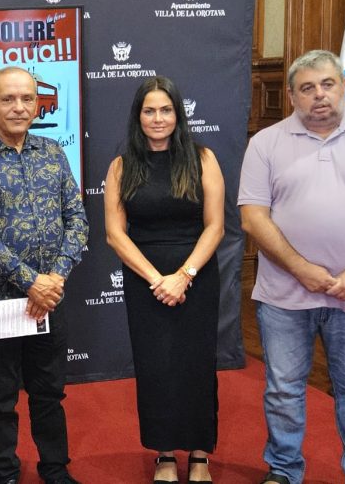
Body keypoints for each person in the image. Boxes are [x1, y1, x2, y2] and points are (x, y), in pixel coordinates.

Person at [239, 49, 345, 484]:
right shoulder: (265, 143)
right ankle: (283, 470)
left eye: (327, 84)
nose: (319, 95)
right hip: (284, 296)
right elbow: (253, 218)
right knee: (283, 391)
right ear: (293, 96)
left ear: (343, 86)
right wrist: (301, 269)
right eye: (307, 88)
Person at [0, 66, 89, 484]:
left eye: (27, 98)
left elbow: (77, 221)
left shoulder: (53, 153)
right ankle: (4, 473)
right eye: (8, 99)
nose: (19, 107)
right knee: (1, 397)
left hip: (51, 298)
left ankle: (55, 469)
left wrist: (54, 281)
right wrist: (31, 281)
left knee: (49, 393)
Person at [103, 76, 225, 484]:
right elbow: (115, 234)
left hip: (197, 275)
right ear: (138, 117)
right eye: (149, 111)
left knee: (195, 363)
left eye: (166, 110)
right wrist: (158, 280)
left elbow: (215, 227)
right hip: (145, 278)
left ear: (178, 114)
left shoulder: (203, 158)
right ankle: (165, 453)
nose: (158, 118)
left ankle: (199, 454)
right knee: (156, 366)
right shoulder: (122, 166)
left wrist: (184, 276)